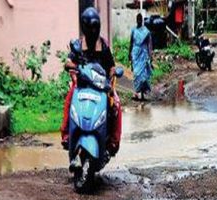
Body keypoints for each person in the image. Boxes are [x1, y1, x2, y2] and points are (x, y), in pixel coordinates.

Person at [60, 7, 122, 157]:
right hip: (82, 83)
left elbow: (111, 65)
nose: (93, 31)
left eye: (95, 27)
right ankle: (67, 135)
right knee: (69, 100)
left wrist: (113, 72)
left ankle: (113, 141)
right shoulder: (78, 44)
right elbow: (68, 61)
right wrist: (73, 66)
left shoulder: (104, 45)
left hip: (101, 86)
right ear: (84, 27)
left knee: (116, 106)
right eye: (90, 27)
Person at [128, 13, 153, 101]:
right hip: (135, 54)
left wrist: (150, 56)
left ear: (142, 20)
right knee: (136, 74)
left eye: (140, 19)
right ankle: (137, 93)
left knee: (143, 76)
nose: (138, 21)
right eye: (137, 19)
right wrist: (129, 54)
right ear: (136, 20)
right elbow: (131, 43)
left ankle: (142, 95)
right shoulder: (133, 30)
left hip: (143, 55)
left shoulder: (146, 31)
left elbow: (149, 45)